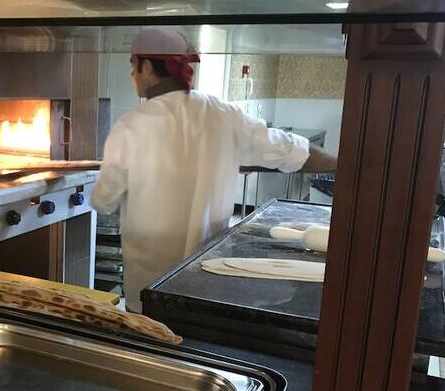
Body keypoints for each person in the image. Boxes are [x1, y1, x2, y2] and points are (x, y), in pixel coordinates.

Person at [91, 28, 337, 313]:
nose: (133, 74)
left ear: (146, 66)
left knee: (150, 335)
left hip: (147, 287)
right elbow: (293, 151)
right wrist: (350, 164)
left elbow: (104, 200)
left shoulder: (130, 126)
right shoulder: (223, 114)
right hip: (205, 278)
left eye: (134, 65)